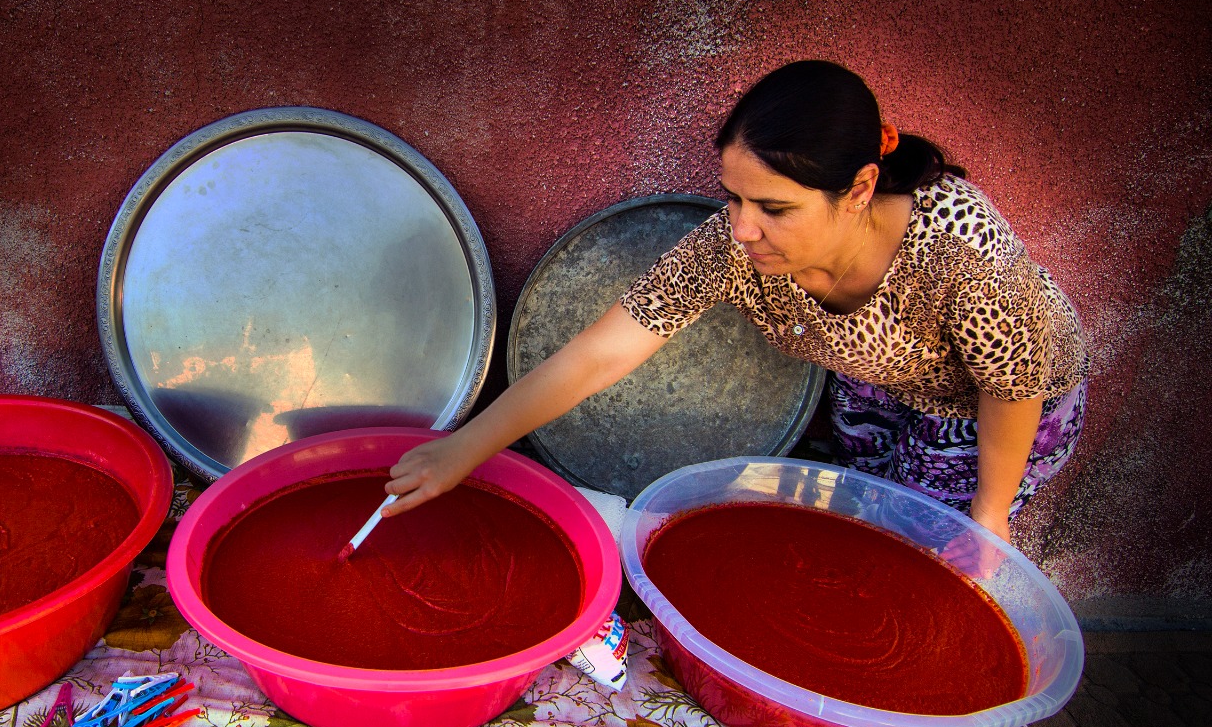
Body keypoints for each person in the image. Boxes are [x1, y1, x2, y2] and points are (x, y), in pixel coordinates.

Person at [384, 60, 1088, 544]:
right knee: (859, 509)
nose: (742, 227)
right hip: (881, 375)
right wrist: (463, 450)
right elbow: (606, 350)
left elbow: (1013, 382)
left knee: (922, 542)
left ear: (862, 188)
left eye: (774, 207)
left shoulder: (963, 254)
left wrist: (989, 517)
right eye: (735, 197)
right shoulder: (732, 243)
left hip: (997, 404)